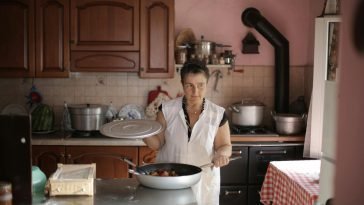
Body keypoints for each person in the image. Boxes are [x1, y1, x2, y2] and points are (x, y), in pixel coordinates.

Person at [143, 60, 232, 205]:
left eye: (200, 85)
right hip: (170, 180)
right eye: (189, 85)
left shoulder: (217, 114)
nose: (195, 92)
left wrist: (222, 154)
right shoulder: (166, 110)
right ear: (182, 84)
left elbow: (225, 145)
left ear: (207, 83)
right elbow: (157, 144)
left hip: (203, 182)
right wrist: (142, 133)